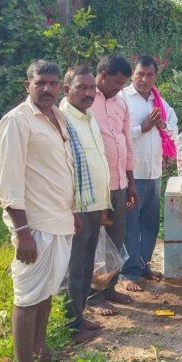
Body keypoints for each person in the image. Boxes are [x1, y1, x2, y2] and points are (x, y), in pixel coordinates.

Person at [0, 60, 80, 362]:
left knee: (47, 293)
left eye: (53, 83)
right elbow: (10, 184)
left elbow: (62, 169)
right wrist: (22, 232)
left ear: (60, 87)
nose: (47, 88)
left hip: (60, 221)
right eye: (40, 82)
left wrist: (73, 212)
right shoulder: (16, 122)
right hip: (34, 226)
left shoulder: (59, 117)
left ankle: (40, 351)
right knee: (28, 298)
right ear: (27, 85)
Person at [60, 65, 112, 343]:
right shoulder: (62, 119)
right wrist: (71, 208)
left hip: (94, 204)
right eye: (82, 87)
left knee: (86, 264)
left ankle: (79, 315)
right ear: (67, 90)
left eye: (92, 87)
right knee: (74, 267)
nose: (89, 93)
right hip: (76, 207)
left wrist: (103, 204)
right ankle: (70, 324)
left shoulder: (89, 117)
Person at [119, 55, 178, 291]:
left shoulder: (159, 100)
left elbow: (174, 129)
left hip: (154, 171)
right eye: (140, 74)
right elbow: (117, 135)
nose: (145, 79)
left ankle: (143, 265)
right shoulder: (123, 99)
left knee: (151, 223)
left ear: (156, 76)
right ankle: (129, 272)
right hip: (132, 172)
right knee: (130, 223)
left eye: (150, 75)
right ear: (132, 74)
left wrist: (161, 124)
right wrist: (142, 127)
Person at [88, 54, 137, 316]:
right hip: (95, 186)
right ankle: (92, 296)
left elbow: (125, 141)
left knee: (116, 238)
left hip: (119, 182)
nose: (119, 89)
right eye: (116, 83)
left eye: (122, 85)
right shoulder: (84, 99)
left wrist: (131, 181)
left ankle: (109, 288)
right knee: (95, 240)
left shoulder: (121, 104)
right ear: (103, 75)